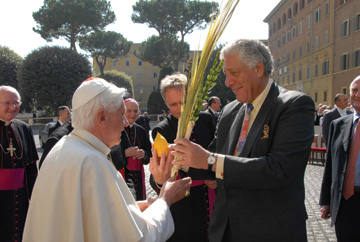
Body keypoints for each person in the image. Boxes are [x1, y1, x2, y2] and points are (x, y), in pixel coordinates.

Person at [171, 39, 315, 242]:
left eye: (234, 73)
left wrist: (209, 160)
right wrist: (177, 160)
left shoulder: (294, 105)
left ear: (258, 68)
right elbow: (207, 161)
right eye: (226, 74)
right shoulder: (229, 111)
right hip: (225, 231)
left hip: (271, 232)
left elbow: (279, 169)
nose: (227, 82)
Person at [23, 77, 192, 242]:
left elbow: (93, 216)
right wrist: (165, 200)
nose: (125, 123)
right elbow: (141, 237)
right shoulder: (92, 162)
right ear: (102, 118)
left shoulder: (64, 148)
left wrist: (131, 209)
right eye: (121, 115)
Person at [151, 73, 216, 242]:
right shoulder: (161, 130)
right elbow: (157, 176)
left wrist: (216, 178)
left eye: (183, 102)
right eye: (173, 104)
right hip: (183, 202)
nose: (180, 109)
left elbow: (217, 152)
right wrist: (161, 181)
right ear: (166, 103)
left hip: (211, 196)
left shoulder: (207, 119)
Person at [319, 75, 360, 242]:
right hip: (344, 202)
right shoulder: (339, 125)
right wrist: (326, 201)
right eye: (354, 90)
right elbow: (330, 165)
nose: (357, 95)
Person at [0, 86, 38, 242]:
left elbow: (31, 169)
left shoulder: (24, 128)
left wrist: (36, 199)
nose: (12, 107)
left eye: (16, 103)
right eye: (7, 103)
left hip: (21, 199)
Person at [121, 98, 152, 200]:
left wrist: (144, 154)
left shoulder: (141, 130)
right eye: (129, 111)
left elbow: (149, 151)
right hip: (122, 175)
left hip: (138, 175)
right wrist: (124, 153)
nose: (132, 114)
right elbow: (108, 153)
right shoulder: (116, 130)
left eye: (135, 111)